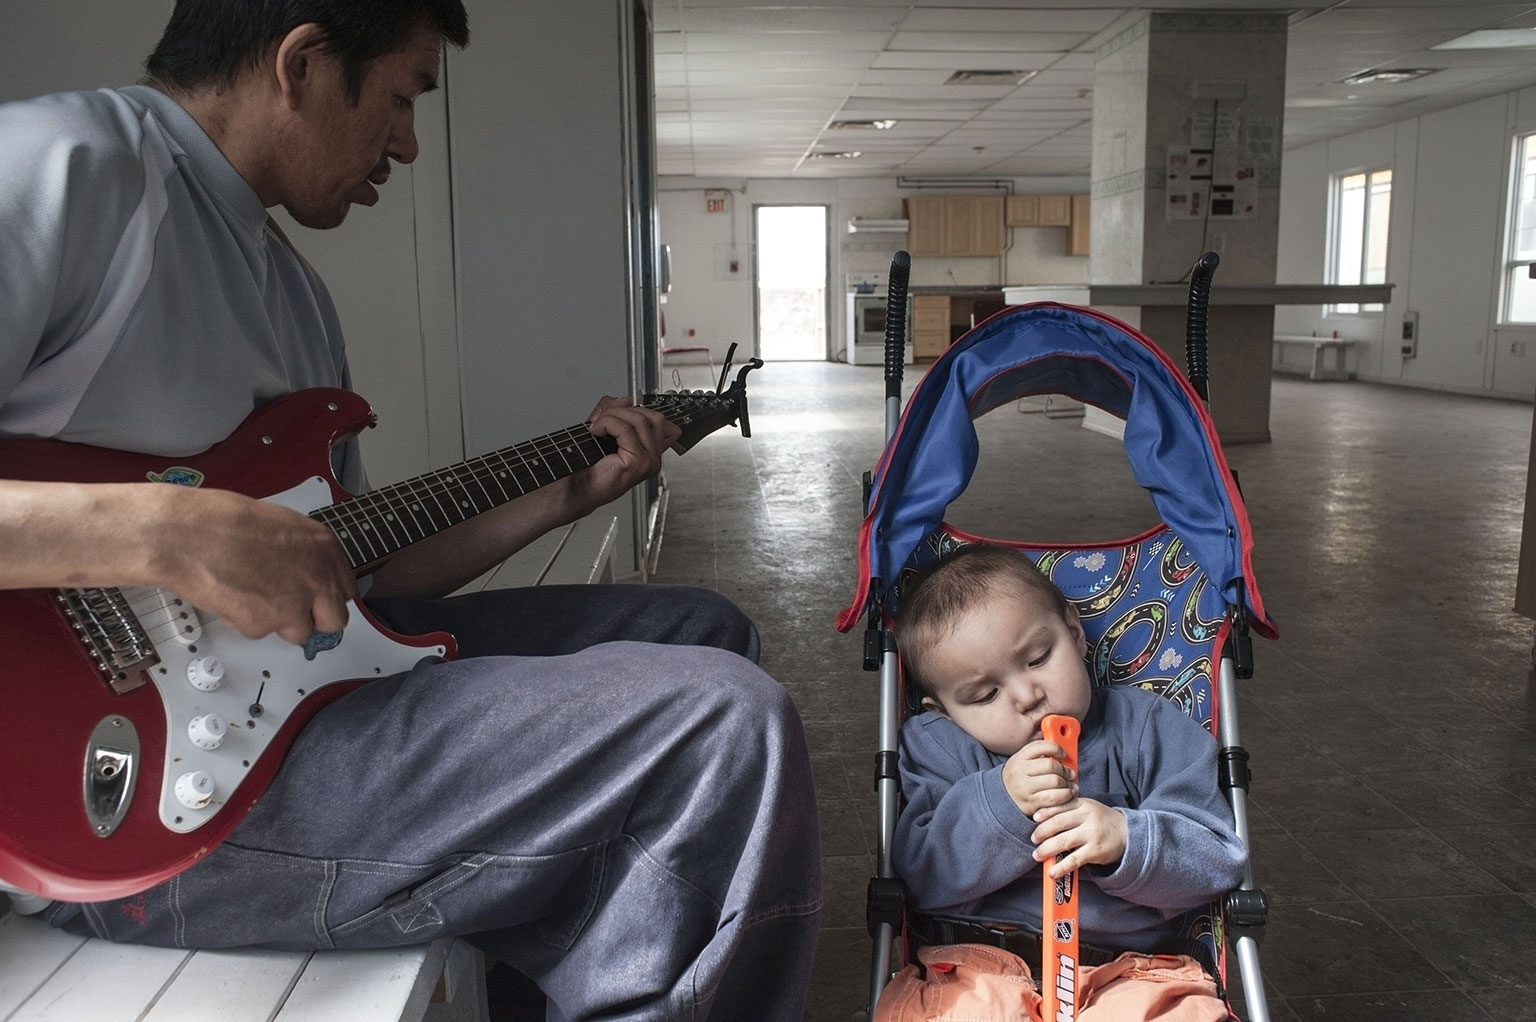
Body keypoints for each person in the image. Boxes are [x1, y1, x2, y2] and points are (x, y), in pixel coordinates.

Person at [0, 2, 821, 1019]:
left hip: (290, 696)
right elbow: (187, 540)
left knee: (705, 630)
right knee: (725, 729)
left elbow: (363, 580)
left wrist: (573, 492)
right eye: (400, 98)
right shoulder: (62, 167)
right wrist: (165, 533)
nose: (408, 143)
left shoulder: (295, 297)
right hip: (120, 803)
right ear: (301, 64)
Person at [875, 543, 1243, 1022]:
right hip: (976, 966)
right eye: (986, 695)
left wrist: (1126, 838)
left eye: (1038, 658)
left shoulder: (1148, 728)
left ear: (1074, 633)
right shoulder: (939, 747)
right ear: (943, 711)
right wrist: (1000, 803)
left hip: (1132, 970)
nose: (1028, 696)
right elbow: (919, 877)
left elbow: (1218, 859)